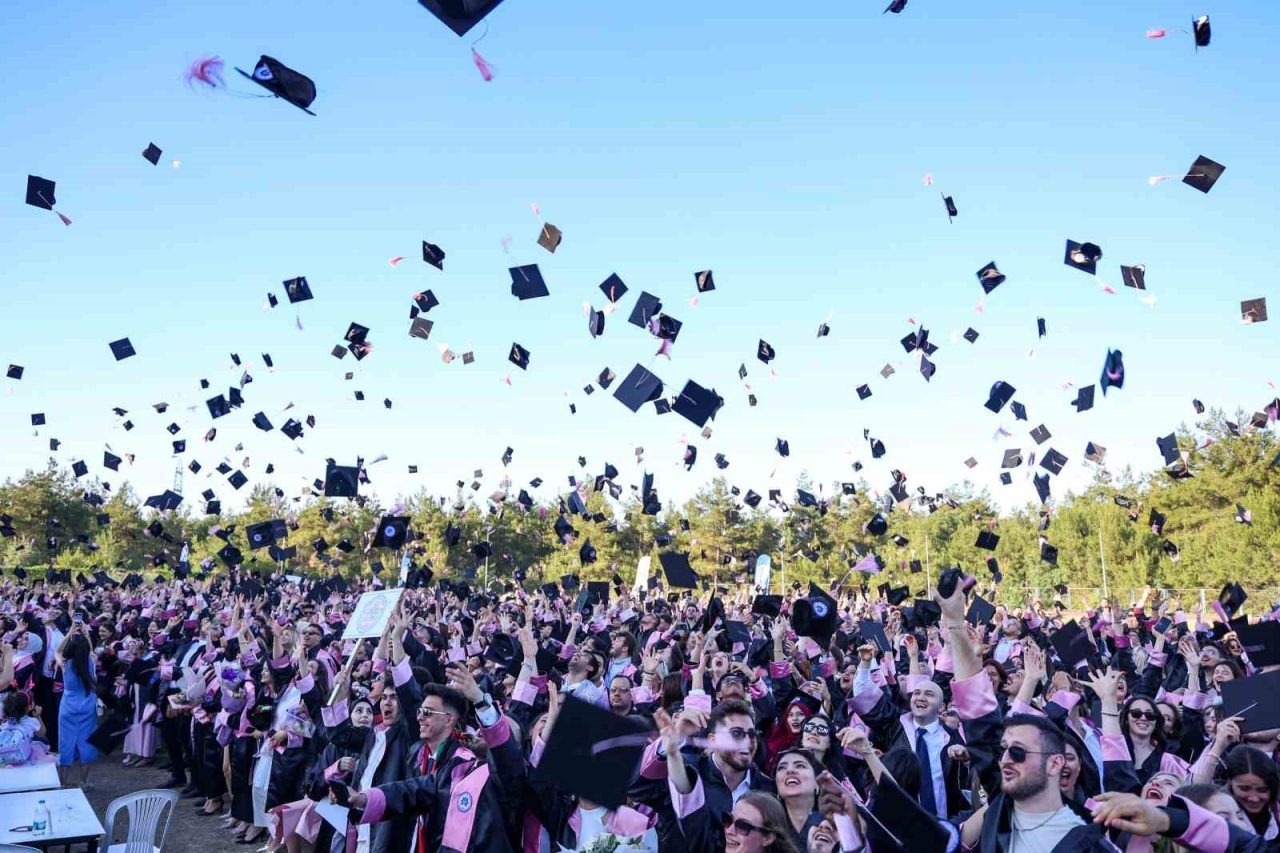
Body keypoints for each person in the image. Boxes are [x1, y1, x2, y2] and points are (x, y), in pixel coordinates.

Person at [55, 624, 99, 786]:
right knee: (86, 743)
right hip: (87, 708)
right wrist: (86, 634)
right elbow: (91, 650)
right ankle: (84, 781)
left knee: (65, 744)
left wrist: (69, 631)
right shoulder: (91, 662)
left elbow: (57, 651)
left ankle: (63, 782)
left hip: (68, 708)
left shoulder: (66, 665)